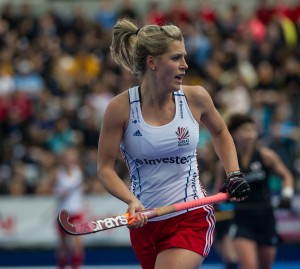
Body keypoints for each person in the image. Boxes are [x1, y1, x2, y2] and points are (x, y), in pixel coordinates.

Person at [97, 18, 250, 269]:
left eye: (184, 57)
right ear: (152, 62)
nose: (185, 65)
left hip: (191, 216)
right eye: (176, 58)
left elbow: (221, 132)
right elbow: (104, 168)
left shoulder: (196, 97)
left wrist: (233, 173)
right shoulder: (119, 108)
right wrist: (131, 201)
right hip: (145, 221)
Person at [215, 113, 294, 269]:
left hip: (266, 219)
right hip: (242, 220)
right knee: (250, 266)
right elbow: (219, 191)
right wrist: (221, 201)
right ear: (234, 135)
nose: (250, 134)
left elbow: (287, 176)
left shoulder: (266, 156)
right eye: (245, 130)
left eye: (252, 130)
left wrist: (286, 195)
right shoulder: (225, 163)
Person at [46, 147, 85, 269]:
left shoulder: (79, 171)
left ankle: (76, 266)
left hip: (76, 211)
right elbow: (46, 189)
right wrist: (58, 192)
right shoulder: (57, 173)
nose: (71, 160)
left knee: (77, 243)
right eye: (69, 157)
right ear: (64, 159)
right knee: (63, 245)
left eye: (73, 157)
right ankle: (61, 266)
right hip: (63, 213)